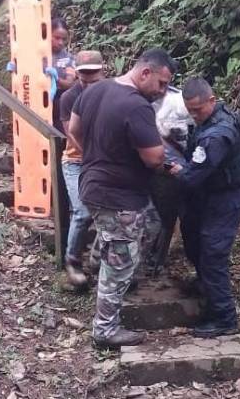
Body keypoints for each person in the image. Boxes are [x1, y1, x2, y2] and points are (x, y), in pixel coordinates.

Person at [68, 48, 177, 348]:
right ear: (145, 73)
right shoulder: (136, 106)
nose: (162, 91)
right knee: (121, 264)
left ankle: (96, 260)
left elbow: (74, 129)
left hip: (92, 186)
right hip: (119, 197)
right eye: (162, 83)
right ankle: (104, 330)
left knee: (152, 224)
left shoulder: (94, 90)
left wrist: (96, 153)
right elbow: (154, 158)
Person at [169, 77, 240, 338]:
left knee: (213, 256)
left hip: (223, 200)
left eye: (198, 109)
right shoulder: (213, 119)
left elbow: (194, 175)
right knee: (196, 246)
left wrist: (177, 170)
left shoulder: (218, 134)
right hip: (206, 198)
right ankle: (208, 293)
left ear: (212, 101)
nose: (194, 115)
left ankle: (225, 318)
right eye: (189, 110)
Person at [60, 50, 105, 288]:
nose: (88, 80)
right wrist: (94, 155)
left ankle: (98, 258)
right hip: (76, 161)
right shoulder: (70, 97)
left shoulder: (111, 93)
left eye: (93, 74)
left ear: (103, 71)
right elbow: (72, 133)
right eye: (83, 75)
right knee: (82, 211)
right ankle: (72, 260)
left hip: (103, 161)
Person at [147, 87, 193, 271]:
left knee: (167, 218)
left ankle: (156, 260)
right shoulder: (152, 103)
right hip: (162, 170)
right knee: (162, 217)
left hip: (176, 171)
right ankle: (154, 259)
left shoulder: (177, 101)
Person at [50, 17, 77, 131]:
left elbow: (70, 84)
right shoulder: (37, 56)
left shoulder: (68, 59)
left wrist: (55, 79)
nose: (60, 42)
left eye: (64, 39)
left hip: (60, 103)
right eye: (56, 38)